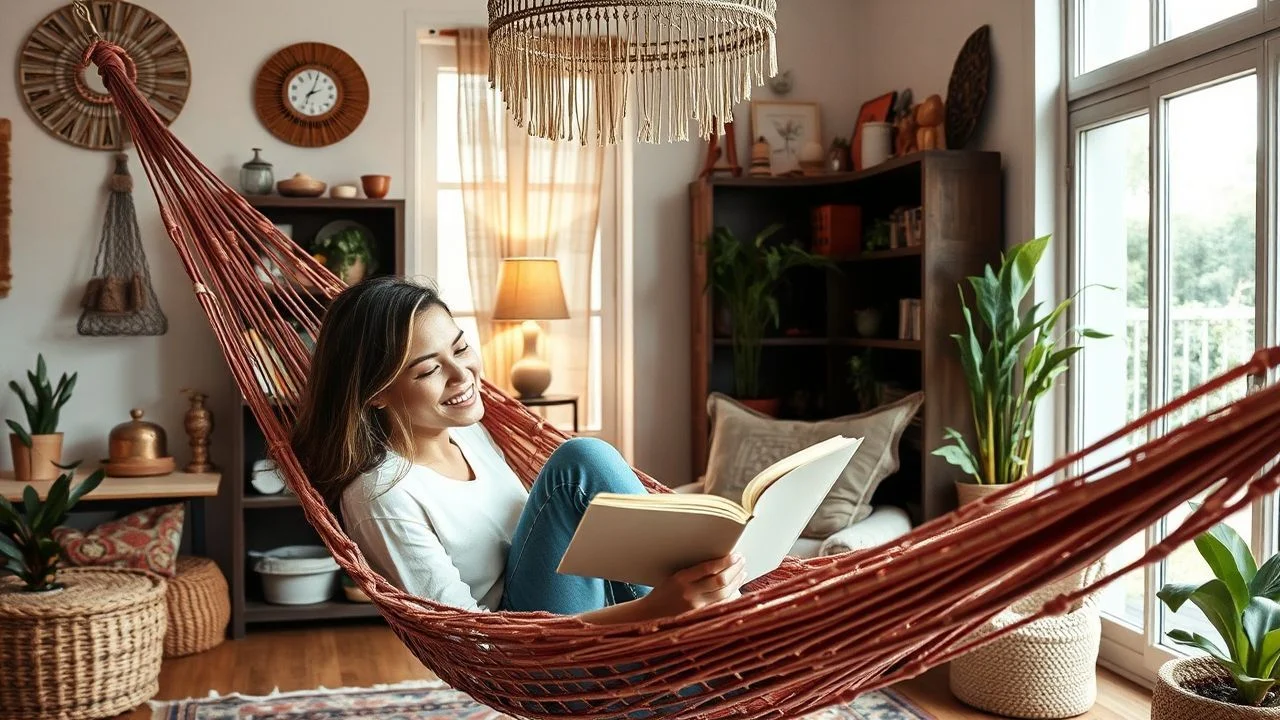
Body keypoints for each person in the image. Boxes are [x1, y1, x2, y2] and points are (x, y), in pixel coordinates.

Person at [291, 276, 747, 624]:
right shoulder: (382, 497)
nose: (462, 375)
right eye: (429, 370)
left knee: (588, 467)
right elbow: (474, 641)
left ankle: (722, 607)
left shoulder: (470, 432)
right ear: (376, 393)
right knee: (579, 461)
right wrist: (657, 608)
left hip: (591, 613)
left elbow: (544, 543)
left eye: (461, 348)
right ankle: (720, 620)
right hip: (533, 655)